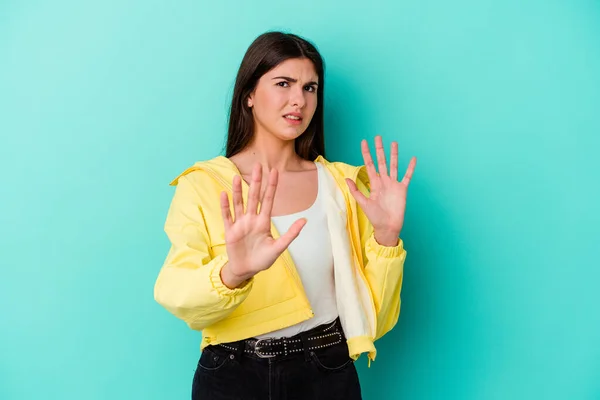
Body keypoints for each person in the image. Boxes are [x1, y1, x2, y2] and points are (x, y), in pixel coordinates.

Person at [154, 31, 417, 400]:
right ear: (248, 94)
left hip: (325, 372)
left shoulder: (341, 186)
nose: (299, 100)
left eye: (310, 88)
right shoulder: (204, 184)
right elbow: (177, 295)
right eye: (283, 83)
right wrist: (234, 273)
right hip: (231, 375)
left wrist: (387, 238)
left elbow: (375, 318)